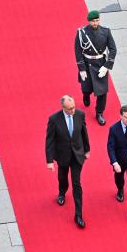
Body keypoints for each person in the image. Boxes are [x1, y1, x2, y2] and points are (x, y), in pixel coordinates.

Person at [45, 95, 90, 229]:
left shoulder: (80, 114)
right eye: (70, 109)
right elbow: (49, 141)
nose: (73, 110)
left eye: (74, 107)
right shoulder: (54, 119)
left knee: (77, 183)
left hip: (77, 155)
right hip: (63, 156)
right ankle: (62, 192)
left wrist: (87, 150)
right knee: (63, 178)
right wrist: (49, 161)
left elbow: (84, 133)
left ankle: (78, 215)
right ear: (63, 107)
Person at [75, 10, 117, 126]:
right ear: (89, 21)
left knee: (102, 92)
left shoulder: (106, 31)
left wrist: (106, 66)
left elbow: (113, 49)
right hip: (87, 63)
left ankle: (99, 113)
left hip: (100, 65)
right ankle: (86, 94)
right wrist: (82, 69)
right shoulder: (81, 33)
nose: (95, 23)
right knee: (86, 88)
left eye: (97, 20)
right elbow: (78, 52)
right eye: (93, 21)